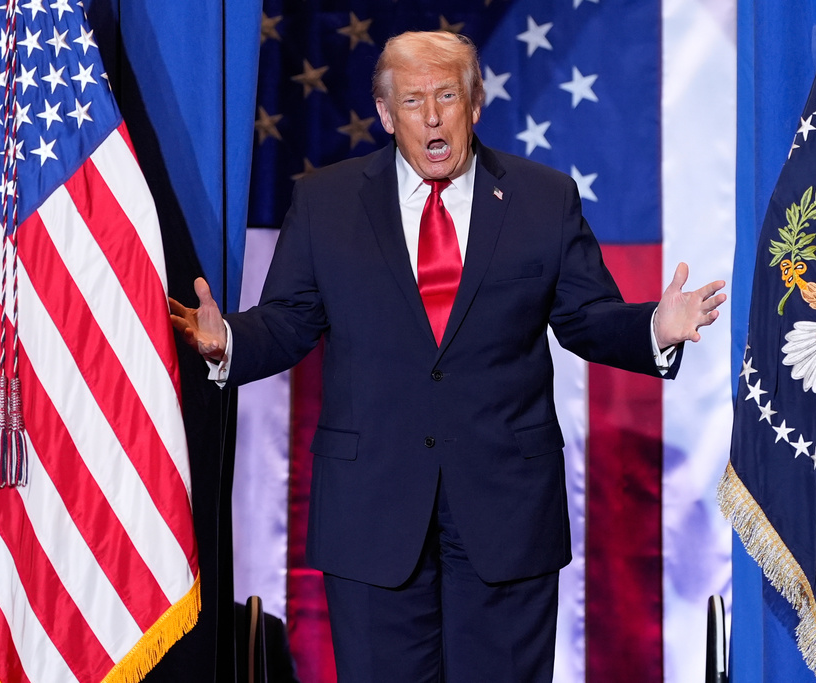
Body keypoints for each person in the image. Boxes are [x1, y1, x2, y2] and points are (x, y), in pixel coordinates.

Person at [170, 30, 725, 683]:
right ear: (384, 114)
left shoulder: (542, 198)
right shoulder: (327, 202)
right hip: (373, 511)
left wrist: (656, 326)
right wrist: (227, 339)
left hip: (505, 514)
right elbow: (291, 320)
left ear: (475, 103)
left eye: (446, 97)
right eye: (412, 101)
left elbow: (585, 318)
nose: (431, 117)